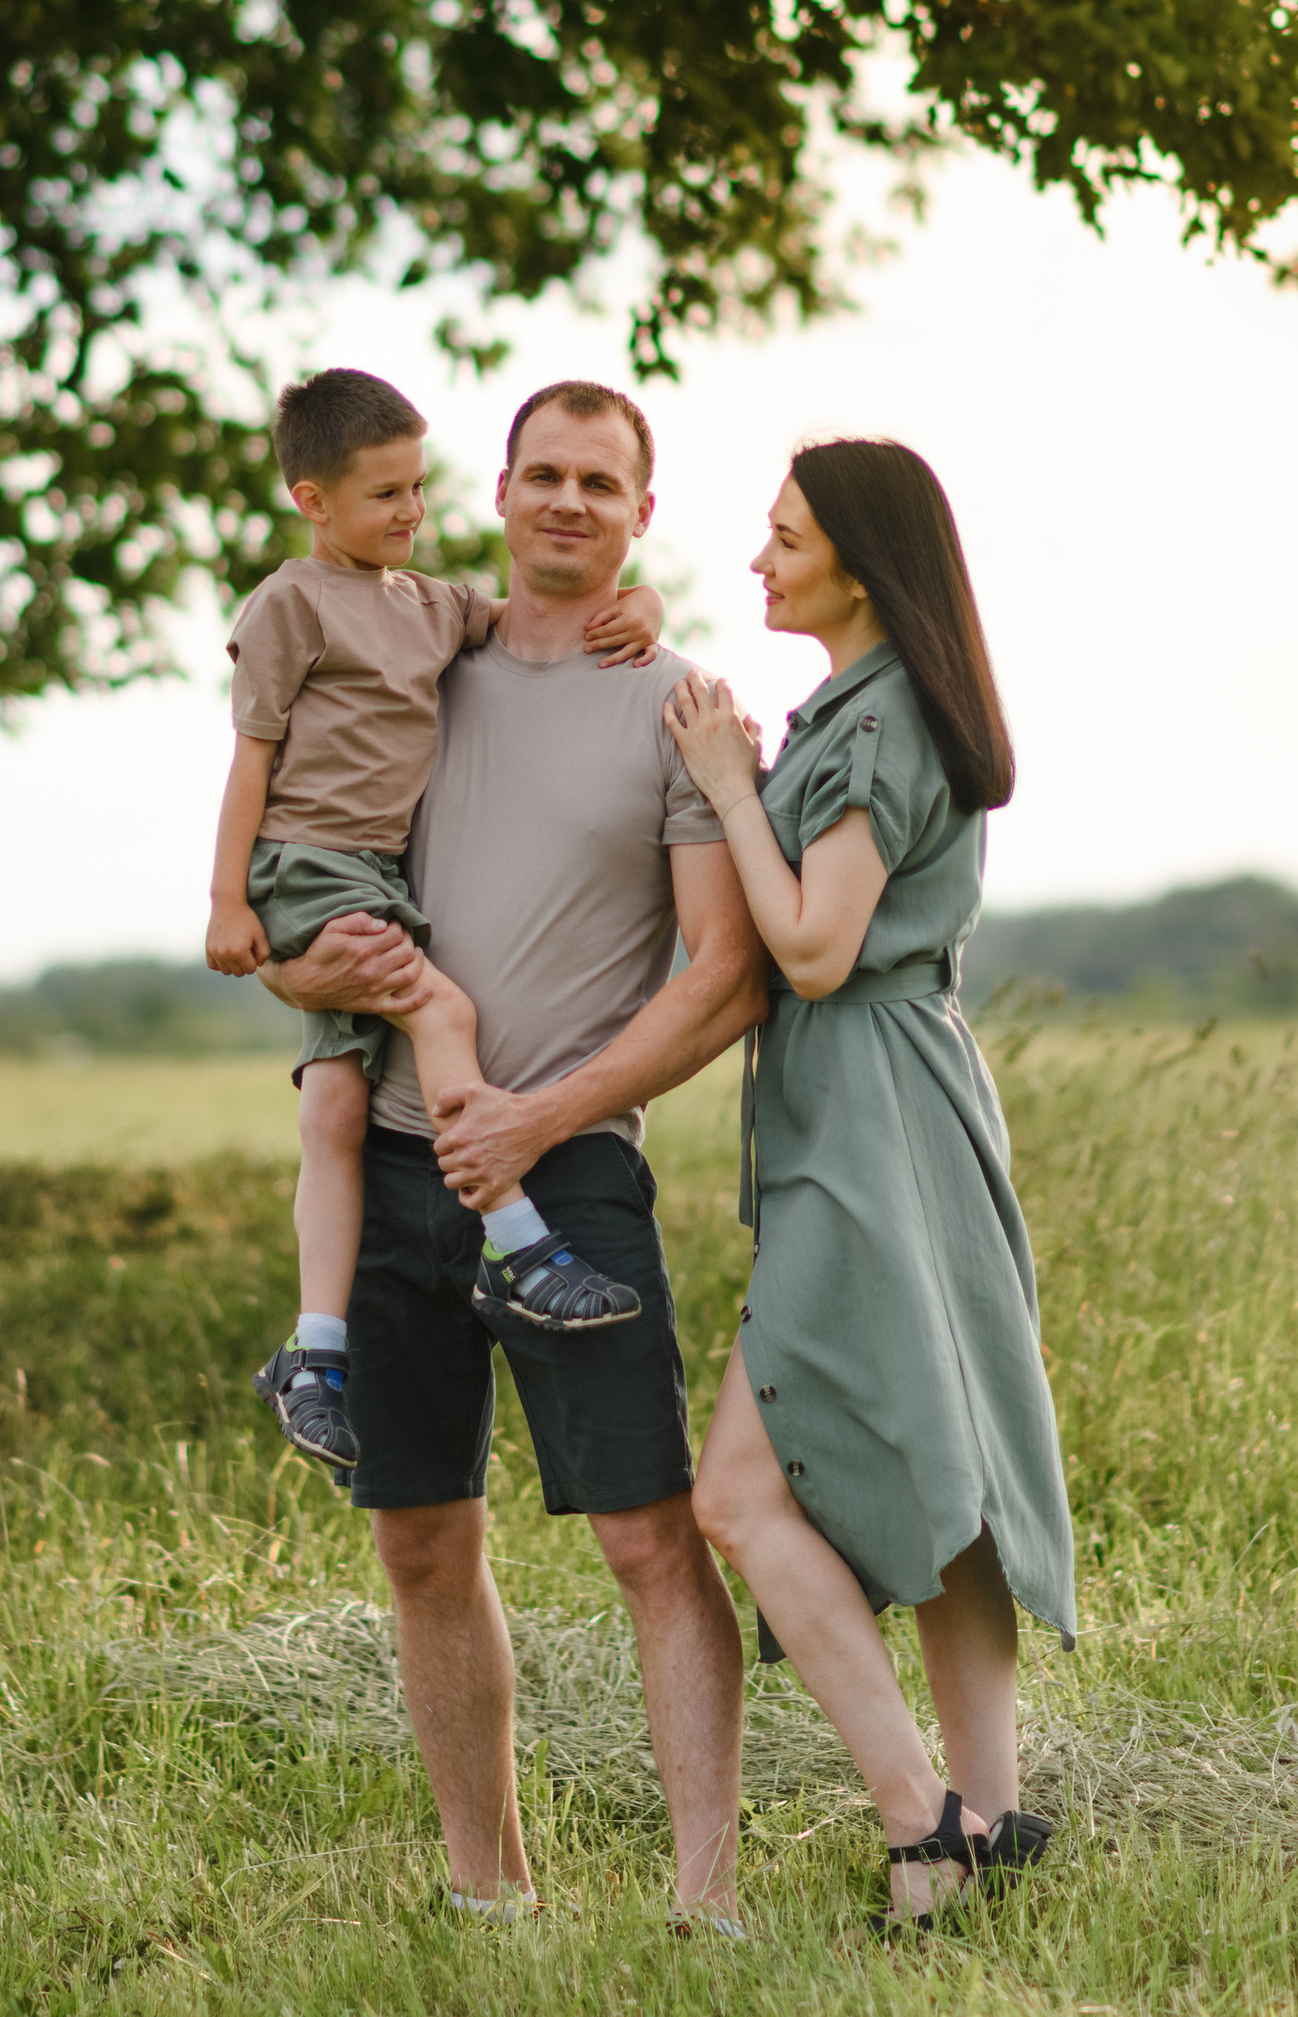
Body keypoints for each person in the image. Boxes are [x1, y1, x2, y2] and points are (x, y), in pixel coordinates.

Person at [268, 381, 769, 1926]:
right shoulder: (422, 651)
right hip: (404, 1164)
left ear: (640, 513)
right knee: (422, 1536)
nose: (567, 501)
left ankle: (706, 1897)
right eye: (542, 474)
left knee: (646, 1532)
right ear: (497, 491)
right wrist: (301, 975)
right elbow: (309, 886)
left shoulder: (676, 703)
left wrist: (542, 1118)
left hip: (569, 1173)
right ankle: (487, 1891)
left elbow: (720, 977)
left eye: (599, 484)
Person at [664, 438, 1077, 1929]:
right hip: (902, 1095)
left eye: (783, 537)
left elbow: (816, 948)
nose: (760, 561)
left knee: (733, 1488)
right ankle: (991, 1822)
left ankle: (924, 1821)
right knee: (948, 1472)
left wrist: (723, 785)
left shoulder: (881, 714)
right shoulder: (878, 702)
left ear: (856, 556)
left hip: (869, 1109)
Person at [209, 367, 666, 1483]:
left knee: (331, 1109)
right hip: (311, 871)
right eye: (384, 498)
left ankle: (313, 1354)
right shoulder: (289, 604)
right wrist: (235, 910)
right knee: (435, 1003)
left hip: (374, 884)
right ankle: (517, 1241)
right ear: (314, 501)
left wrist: (642, 605)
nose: (411, 514)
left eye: (419, 491)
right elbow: (251, 760)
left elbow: (530, 614)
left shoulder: (430, 608)